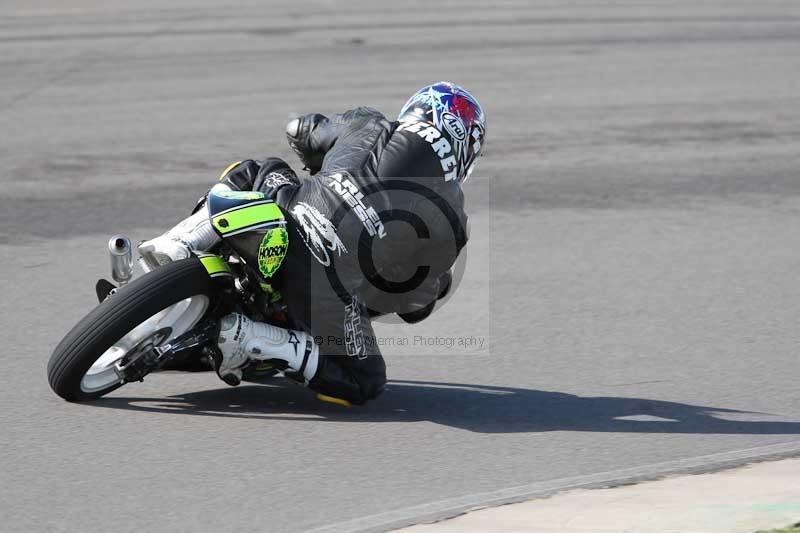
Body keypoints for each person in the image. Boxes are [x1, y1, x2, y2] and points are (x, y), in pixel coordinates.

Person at [138, 82, 486, 405]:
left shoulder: (368, 123)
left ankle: (181, 240)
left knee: (260, 168)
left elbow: (300, 130)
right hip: (325, 290)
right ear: (467, 151)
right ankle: (250, 337)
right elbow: (414, 305)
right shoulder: (453, 219)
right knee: (365, 382)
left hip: (288, 216)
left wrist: (320, 163)